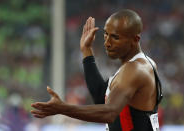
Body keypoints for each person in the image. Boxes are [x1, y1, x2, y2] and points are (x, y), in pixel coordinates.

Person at [31, 9, 163, 131]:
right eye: (106, 35)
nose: (107, 42)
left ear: (135, 39)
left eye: (115, 37)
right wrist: (86, 51)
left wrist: (62, 108)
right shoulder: (136, 65)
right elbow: (101, 97)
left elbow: (109, 113)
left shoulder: (135, 69)